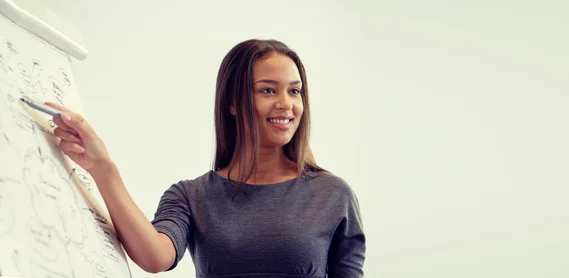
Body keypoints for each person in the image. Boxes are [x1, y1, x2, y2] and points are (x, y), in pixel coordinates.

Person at [46, 39, 366, 277]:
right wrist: (103, 168)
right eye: (268, 90)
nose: (287, 104)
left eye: (294, 91)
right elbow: (155, 257)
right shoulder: (192, 196)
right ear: (232, 102)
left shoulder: (333, 195)